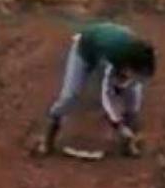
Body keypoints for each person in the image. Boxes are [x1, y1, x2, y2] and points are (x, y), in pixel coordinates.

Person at [37, 21, 156, 157]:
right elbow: (105, 94)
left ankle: (129, 142)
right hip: (84, 50)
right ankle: (48, 135)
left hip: (111, 44)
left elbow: (134, 91)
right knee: (70, 95)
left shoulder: (141, 55)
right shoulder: (111, 58)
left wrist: (132, 116)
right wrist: (117, 125)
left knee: (132, 93)